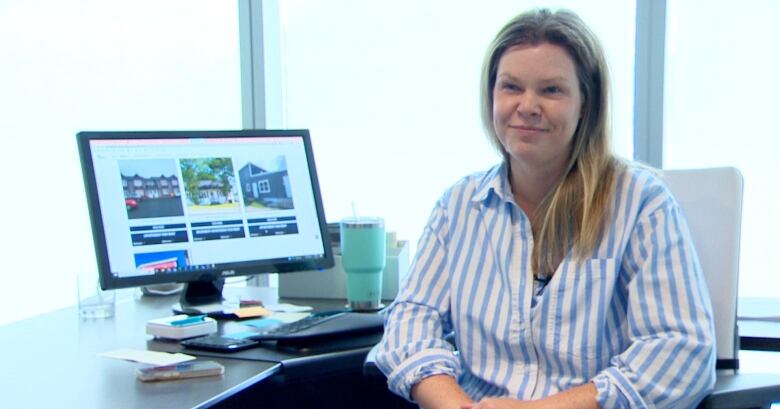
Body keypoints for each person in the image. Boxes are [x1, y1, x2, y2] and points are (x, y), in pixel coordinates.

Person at [375, 8, 716, 409]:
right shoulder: (458, 207)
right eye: (511, 87)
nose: (528, 105)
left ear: (585, 104)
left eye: (552, 90)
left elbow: (681, 352)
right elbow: (408, 327)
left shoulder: (641, 203)